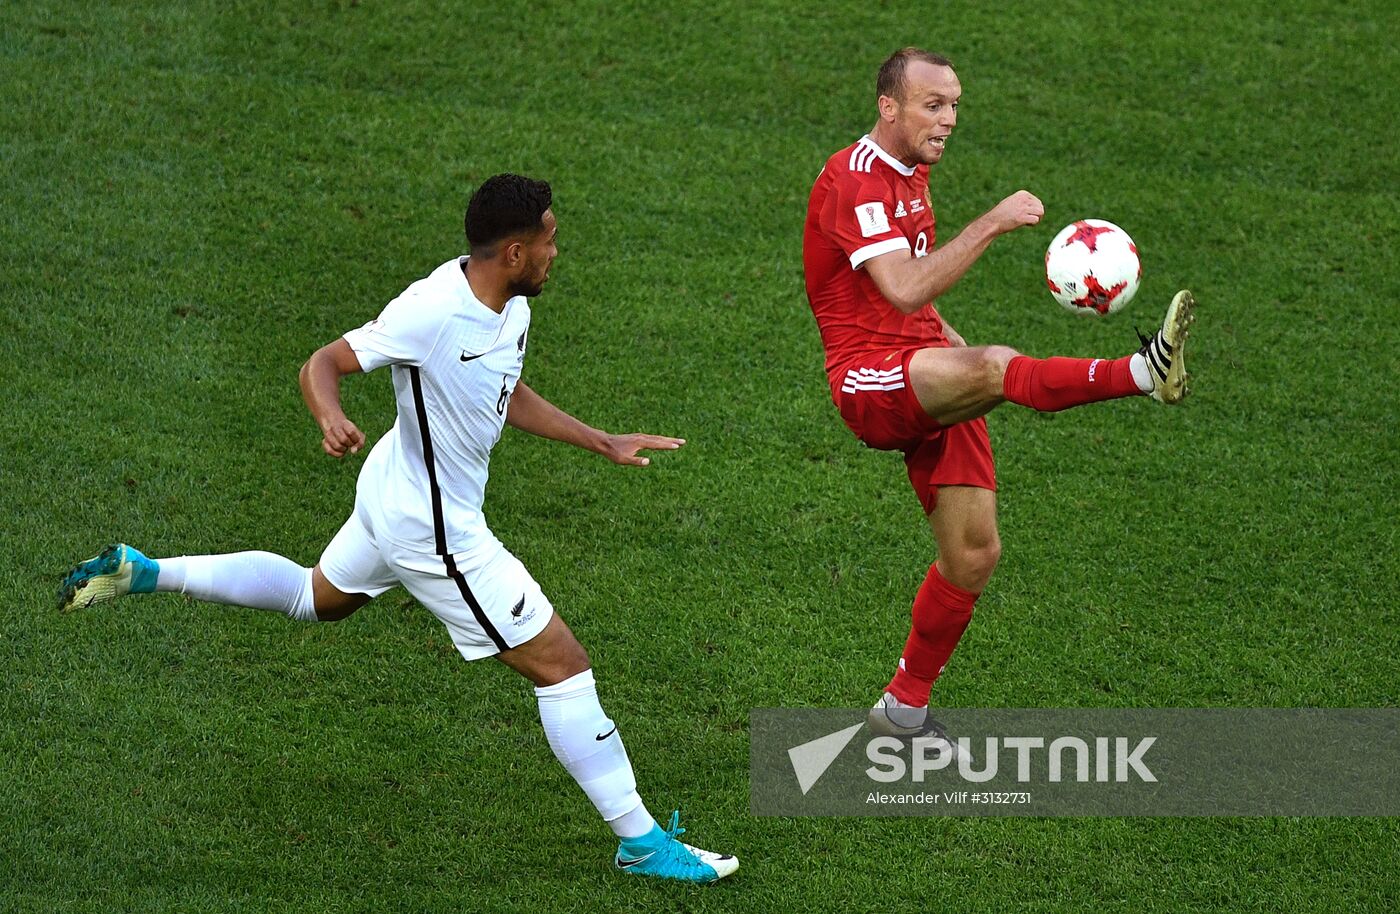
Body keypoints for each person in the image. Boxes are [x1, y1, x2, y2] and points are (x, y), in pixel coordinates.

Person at [58, 174, 738, 884]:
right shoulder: (431, 310)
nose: (555, 253)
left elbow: (501, 390)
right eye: (549, 241)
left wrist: (600, 440)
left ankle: (145, 570)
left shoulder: (509, 302)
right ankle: (641, 841)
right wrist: (329, 415)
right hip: (435, 531)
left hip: (394, 490)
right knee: (563, 665)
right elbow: (322, 362)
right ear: (513, 251)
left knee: (318, 598)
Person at [802, 49, 1196, 739]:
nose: (949, 119)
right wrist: (992, 222)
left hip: (918, 360)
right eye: (933, 104)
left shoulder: (911, 173)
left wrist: (946, 341)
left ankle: (903, 708)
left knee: (974, 554)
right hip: (868, 381)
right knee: (995, 369)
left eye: (954, 105)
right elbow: (901, 287)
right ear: (888, 106)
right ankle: (1141, 372)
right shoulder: (855, 180)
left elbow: (911, 302)